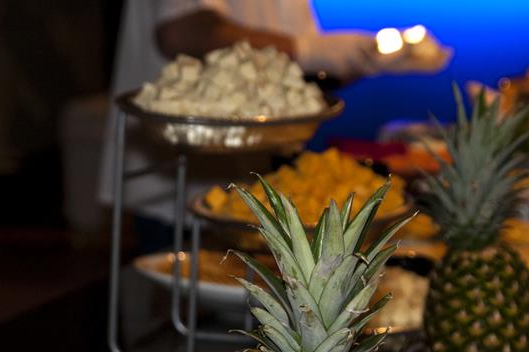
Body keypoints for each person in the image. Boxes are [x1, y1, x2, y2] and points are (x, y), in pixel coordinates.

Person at [97, 0, 379, 249]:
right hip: (173, 188)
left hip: (258, 186)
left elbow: (296, 71)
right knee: (181, 286)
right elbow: (181, 30)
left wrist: (361, 60)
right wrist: (306, 49)